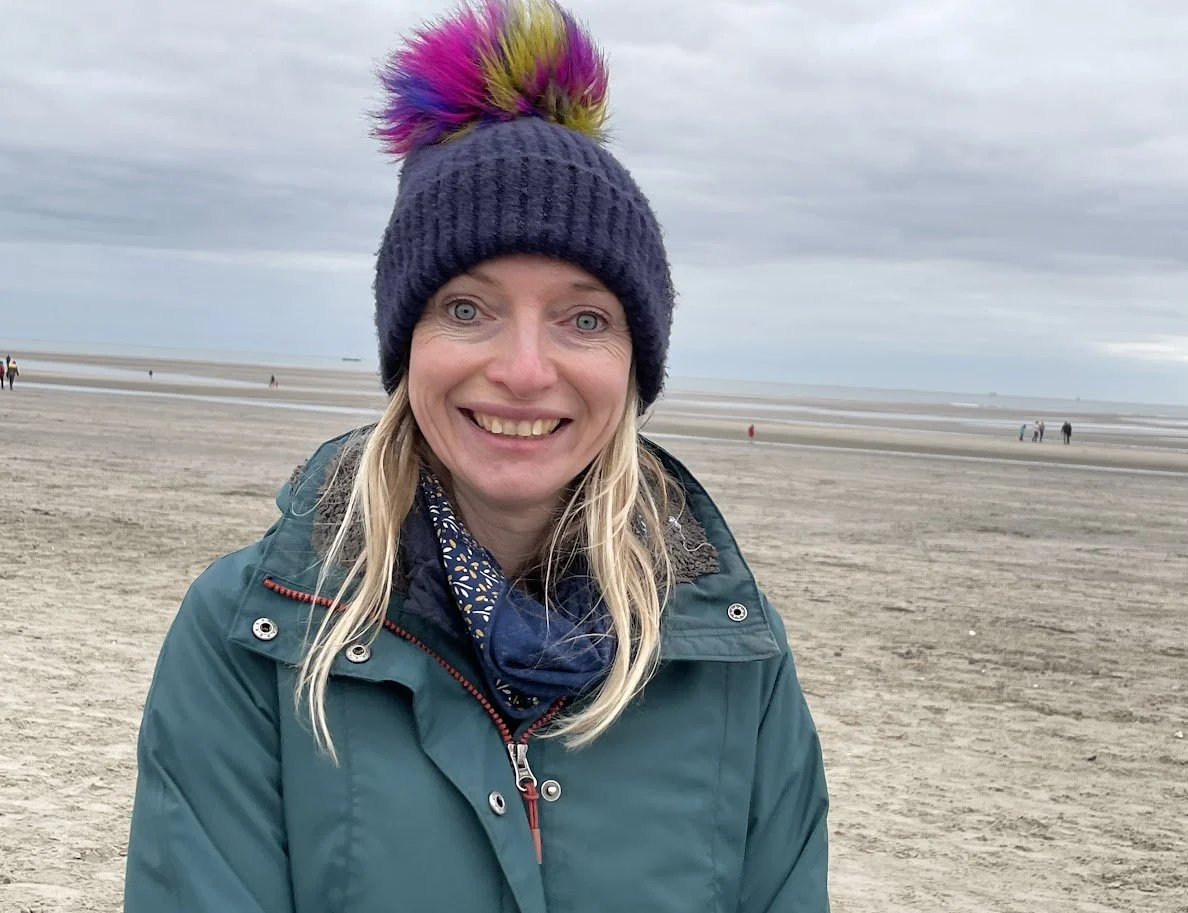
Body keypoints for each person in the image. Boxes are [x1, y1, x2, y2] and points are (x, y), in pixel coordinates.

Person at [122, 3, 831, 911]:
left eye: (584, 318)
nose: (525, 371)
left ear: (632, 363)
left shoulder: (734, 657)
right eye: (467, 307)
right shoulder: (251, 637)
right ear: (406, 344)